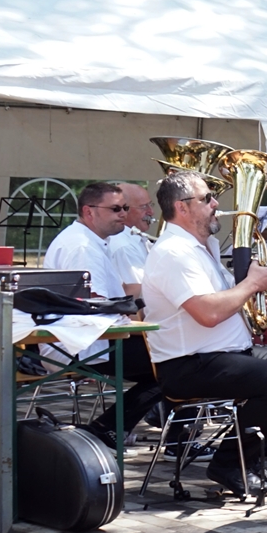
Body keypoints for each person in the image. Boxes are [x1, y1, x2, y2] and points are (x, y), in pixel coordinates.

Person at [142, 171, 267, 498]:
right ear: (182, 207)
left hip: (223, 354)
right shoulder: (174, 253)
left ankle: (245, 456)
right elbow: (208, 313)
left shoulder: (203, 247)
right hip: (189, 363)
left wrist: (252, 283)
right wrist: (252, 284)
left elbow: (228, 299)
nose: (215, 204)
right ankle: (228, 463)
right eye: (207, 198)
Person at [43, 181, 163, 449]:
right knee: (175, 363)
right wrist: (137, 322)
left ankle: (111, 427)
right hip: (78, 345)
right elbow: (94, 306)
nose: (123, 213)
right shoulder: (82, 248)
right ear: (89, 211)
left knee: (174, 357)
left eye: (124, 208)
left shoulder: (92, 241)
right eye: (115, 209)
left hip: (91, 337)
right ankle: (107, 429)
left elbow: (116, 293)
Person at [108, 182, 155, 299]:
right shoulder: (124, 246)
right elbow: (140, 294)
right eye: (144, 207)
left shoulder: (135, 238)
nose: (151, 212)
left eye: (150, 205)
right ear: (125, 210)